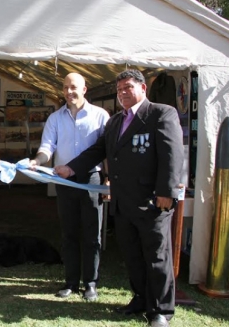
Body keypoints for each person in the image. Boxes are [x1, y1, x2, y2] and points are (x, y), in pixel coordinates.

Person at [54, 69, 183, 327]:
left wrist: (166, 192)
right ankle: (140, 299)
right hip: (123, 203)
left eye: (128, 87)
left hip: (152, 202)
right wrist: (71, 167)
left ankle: (160, 310)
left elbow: (172, 153)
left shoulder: (160, 113)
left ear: (143, 89)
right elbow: (98, 150)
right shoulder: (115, 122)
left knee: (157, 256)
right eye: (119, 89)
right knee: (132, 255)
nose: (123, 93)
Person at [29, 73, 109, 301]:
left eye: (73, 87)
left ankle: (91, 283)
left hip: (91, 179)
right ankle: (71, 282)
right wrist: (37, 161)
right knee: (69, 233)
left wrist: (109, 178)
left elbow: (106, 151)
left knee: (92, 234)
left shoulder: (100, 116)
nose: (69, 92)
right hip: (64, 181)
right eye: (65, 88)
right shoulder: (55, 118)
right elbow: (47, 147)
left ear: (85, 89)